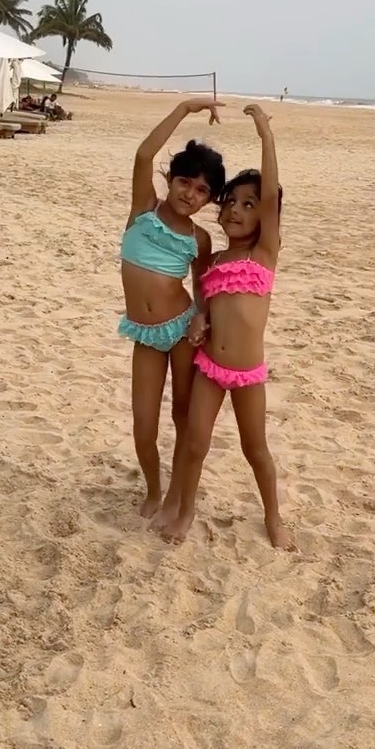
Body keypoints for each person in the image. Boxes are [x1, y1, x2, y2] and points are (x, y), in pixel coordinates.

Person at [159, 104, 295, 550]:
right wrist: (201, 318)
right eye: (231, 202)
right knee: (194, 444)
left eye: (248, 205)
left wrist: (265, 135)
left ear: (264, 216)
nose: (236, 210)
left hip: (248, 373)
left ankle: (273, 516)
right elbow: (205, 302)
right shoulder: (214, 260)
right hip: (210, 368)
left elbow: (271, 195)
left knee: (256, 450)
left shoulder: (264, 254)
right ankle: (186, 511)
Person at [119, 98, 225, 518]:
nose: (190, 194)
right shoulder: (144, 208)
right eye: (185, 182)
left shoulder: (200, 239)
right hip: (146, 334)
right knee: (143, 424)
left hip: (181, 331)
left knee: (183, 416)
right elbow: (143, 154)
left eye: (202, 191)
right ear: (170, 179)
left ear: (208, 199)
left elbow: (202, 287)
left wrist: (201, 315)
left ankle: (178, 495)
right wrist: (184, 109)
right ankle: (153, 490)